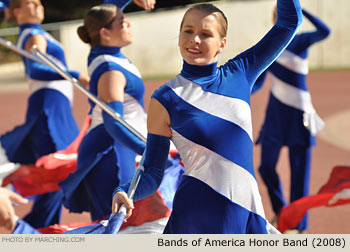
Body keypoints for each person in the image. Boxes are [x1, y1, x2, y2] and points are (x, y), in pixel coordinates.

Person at [112, 0, 302, 234]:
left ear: (222, 43)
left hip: (246, 208)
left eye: (206, 34)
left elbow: (288, 23)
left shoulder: (240, 72)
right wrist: (124, 190)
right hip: (197, 214)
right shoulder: (165, 98)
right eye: (188, 31)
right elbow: (152, 170)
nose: (195, 40)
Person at [0, 0, 89, 228]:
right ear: (17, 12)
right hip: (49, 109)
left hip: (54, 107)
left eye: (38, 2)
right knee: (58, 172)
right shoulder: (32, 34)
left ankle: (31, 231)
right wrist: (76, 75)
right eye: (30, 3)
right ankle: (31, 232)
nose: (38, 6)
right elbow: (36, 69)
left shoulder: (36, 33)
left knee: (57, 173)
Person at [59, 3, 147, 222]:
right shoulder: (110, 69)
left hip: (118, 147)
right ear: (105, 33)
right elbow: (113, 123)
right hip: (109, 151)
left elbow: (109, 8)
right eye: (122, 22)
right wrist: (150, 151)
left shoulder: (104, 52)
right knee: (113, 226)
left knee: (122, 226)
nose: (128, 24)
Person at [252, 8, 331, 233]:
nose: (282, 17)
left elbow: (326, 31)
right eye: (278, 13)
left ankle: (299, 226)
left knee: (299, 176)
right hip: (275, 114)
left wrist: (302, 10)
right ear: (274, 19)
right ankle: (282, 212)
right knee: (266, 167)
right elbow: (258, 82)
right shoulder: (271, 45)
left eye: (288, 12)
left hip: (299, 114)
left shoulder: (302, 40)